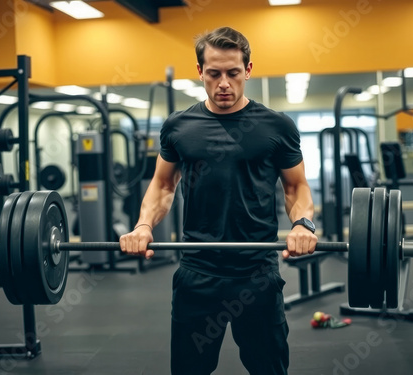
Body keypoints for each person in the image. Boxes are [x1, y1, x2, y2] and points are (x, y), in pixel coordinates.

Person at [120, 26, 318, 375]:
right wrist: (143, 225)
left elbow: (296, 188)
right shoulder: (179, 127)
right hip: (198, 271)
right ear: (200, 72)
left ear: (249, 70)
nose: (223, 83)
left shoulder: (277, 126)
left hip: (257, 272)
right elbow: (163, 185)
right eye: (213, 74)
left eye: (233, 73)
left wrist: (303, 223)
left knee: (269, 369)